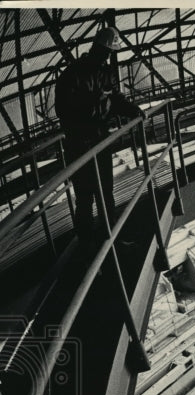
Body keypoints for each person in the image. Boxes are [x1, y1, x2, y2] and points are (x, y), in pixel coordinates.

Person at [55, 27, 144, 248]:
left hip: (100, 141)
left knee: (105, 192)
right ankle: (86, 246)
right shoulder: (72, 75)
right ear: (96, 47)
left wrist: (134, 110)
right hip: (79, 145)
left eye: (109, 53)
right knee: (85, 198)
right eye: (105, 51)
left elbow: (115, 98)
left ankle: (110, 237)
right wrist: (94, 102)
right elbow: (64, 111)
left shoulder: (105, 73)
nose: (107, 56)